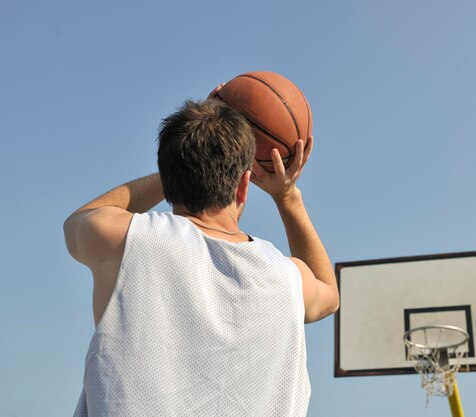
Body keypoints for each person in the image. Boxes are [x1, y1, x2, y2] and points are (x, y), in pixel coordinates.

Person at [63, 88, 338, 416]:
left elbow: (77, 221)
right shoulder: (286, 278)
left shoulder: (128, 240)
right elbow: (329, 293)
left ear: (169, 174)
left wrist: (180, 168)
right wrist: (287, 196)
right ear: (243, 185)